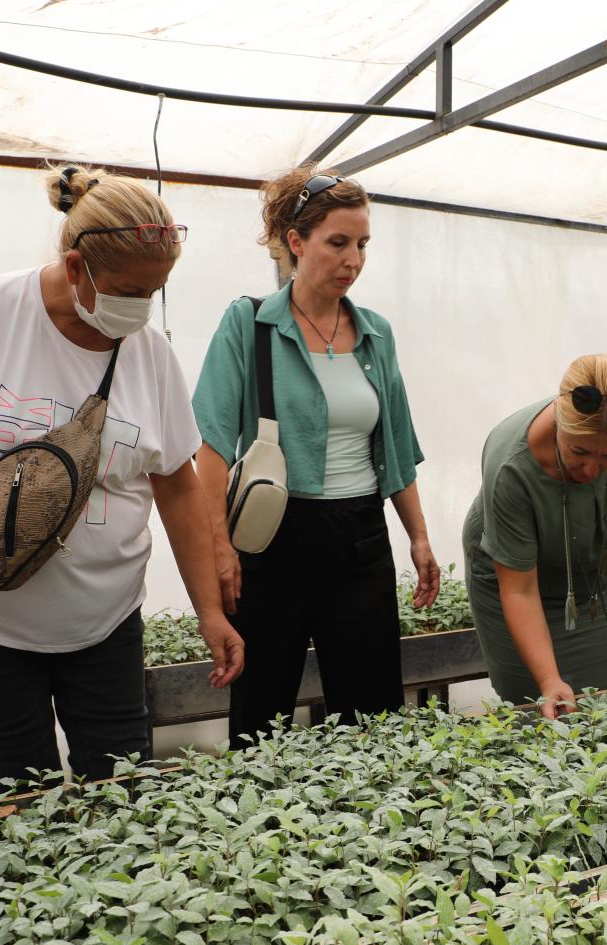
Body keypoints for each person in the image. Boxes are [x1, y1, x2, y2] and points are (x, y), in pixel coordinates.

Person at [0, 164, 243, 796]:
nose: (141, 307)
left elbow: (179, 486)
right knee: (21, 794)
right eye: (129, 289)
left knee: (120, 792)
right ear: (77, 267)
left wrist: (209, 611)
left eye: (155, 291)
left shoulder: (150, 352)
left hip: (106, 622)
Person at [193, 167, 439, 745]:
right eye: (338, 243)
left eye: (362, 244)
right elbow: (209, 448)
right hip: (273, 541)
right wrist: (219, 548)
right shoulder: (249, 324)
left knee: (373, 716)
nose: (353, 259)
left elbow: (396, 445)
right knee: (263, 717)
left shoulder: (375, 332)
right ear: (295, 243)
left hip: (359, 539)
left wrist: (419, 537)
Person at [462, 355, 607, 719]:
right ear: (558, 417)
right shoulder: (512, 467)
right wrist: (548, 679)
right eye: (579, 451)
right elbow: (519, 590)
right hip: (520, 585)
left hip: (599, 574)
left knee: (606, 702)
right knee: (534, 709)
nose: (591, 469)